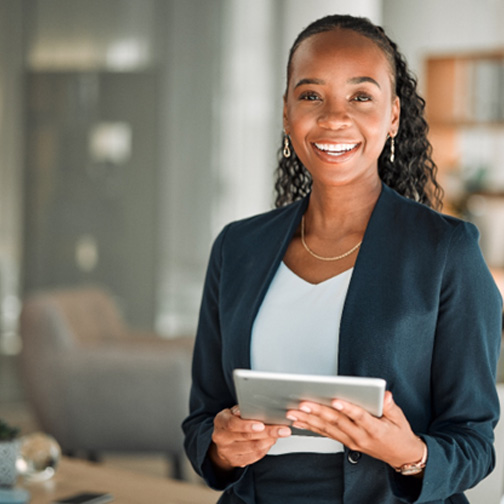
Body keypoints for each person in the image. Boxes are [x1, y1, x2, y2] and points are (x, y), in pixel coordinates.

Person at [182, 14, 503, 504]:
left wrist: (409, 453)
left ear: (393, 115)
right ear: (287, 114)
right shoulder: (237, 247)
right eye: (311, 96)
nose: (334, 118)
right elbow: (203, 419)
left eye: (361, 96)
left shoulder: (445, 250)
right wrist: (223, 448)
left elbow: (474, 442)